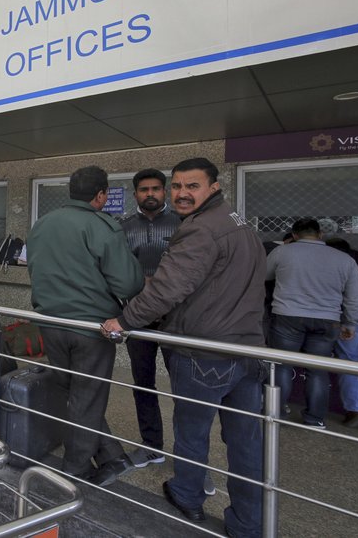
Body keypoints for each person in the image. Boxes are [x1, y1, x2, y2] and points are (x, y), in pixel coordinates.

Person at [103, 158, 266, 535]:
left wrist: (124, 321)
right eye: (176, 186)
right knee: (245, 443)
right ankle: (247, 523)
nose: (181, 193)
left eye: (191, 186)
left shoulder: (199, 230)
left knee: (192, 429)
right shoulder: (237, 222)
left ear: (213, 187)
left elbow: (168, 288)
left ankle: (188, 495)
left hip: (205, 350)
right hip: (246, 349)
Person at [27, 165, 143, 487]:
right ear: (101, 194)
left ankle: (111, 454)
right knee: (87, 397)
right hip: (91, 328)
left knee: (74, 394)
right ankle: (74, 471)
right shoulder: (101, 226)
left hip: (50, 323)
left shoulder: (42, 224)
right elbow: (129, 282)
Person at [266, 219, 358, 428]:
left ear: (293, 235)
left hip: (287, 316)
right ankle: (315, 419)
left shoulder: (283, 252)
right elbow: (355, 297)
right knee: (318, 370)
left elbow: (264, 275)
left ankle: (277, 414)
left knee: (281, 366)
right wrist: (351, 323)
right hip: (328, 319)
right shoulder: (344, 259)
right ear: (320, 234)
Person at [119, 169, 183, 471]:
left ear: (165, 191)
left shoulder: (184, 223)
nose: (150, 194)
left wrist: (157, 285)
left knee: (184, 387)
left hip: (178, 317)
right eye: (144, 190)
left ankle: (190, 463)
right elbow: (116, 268)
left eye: (156, 188)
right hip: (138, 315)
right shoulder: (123, 227)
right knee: (143, 383)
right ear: (136, 195)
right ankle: (151, 446)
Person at [325, 237, 358, 427]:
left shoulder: (339, 263)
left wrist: (349, 322)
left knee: (349, 361)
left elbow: (353, 297)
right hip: (357, 311)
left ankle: (355, 408)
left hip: (352, 313)